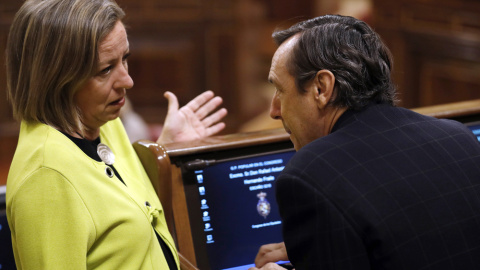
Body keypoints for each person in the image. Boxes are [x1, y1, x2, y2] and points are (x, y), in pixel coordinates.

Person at [5, 0, 227, 269]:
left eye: (125, 59)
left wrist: (165, 149)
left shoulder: (103, 121)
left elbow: (129, 213)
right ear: (56, 79)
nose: (127, 81)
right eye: (106, 69)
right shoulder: (45, 176)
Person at [250, 15, 480, 270]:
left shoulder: (310, 177)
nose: (273, 110)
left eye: (280, 90)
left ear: (321, 88)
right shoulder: (460, 138)